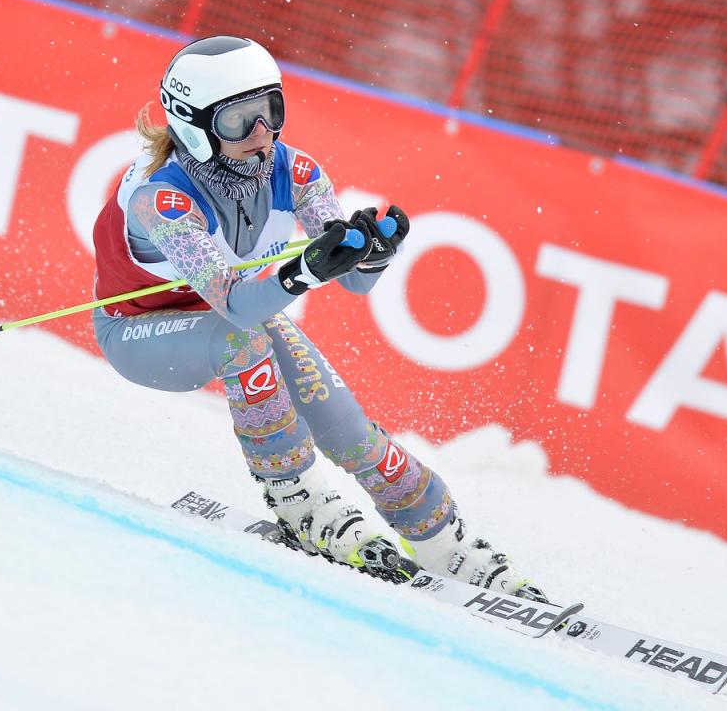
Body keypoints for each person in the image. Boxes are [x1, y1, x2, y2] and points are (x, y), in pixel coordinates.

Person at [90, 35, 546, 600]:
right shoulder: (159, 199)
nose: (263, 135)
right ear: (192, 126)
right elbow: (232, 302)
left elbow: (353, 280)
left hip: (238, 318)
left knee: (348, 429)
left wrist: (372, 253)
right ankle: (301, 503)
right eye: (239, 120)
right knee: (242, 343)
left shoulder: (294, 169)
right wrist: (304, 270)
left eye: (270, 111)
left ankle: (444, 540)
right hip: (142, 333)